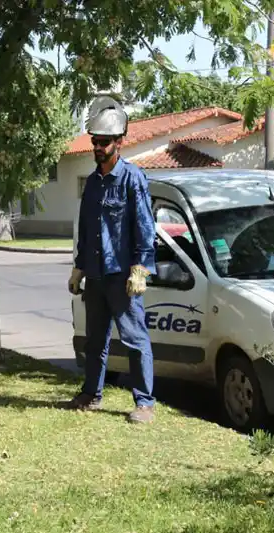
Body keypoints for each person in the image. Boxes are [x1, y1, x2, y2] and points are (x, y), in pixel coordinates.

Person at [67, 95, 157, 424]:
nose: (98, 147)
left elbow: (145, 226)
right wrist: (79, 268)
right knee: (95, 342)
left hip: (123, 277)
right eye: (95, 141)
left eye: (104, 142)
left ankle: (144, 403)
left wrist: (140, 268)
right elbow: (88, 228)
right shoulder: (92, 184)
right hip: (97, 276)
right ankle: (91, 393)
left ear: (119, 143)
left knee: (134, 341)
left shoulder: (134, 179)